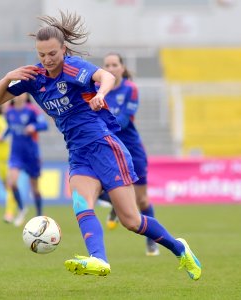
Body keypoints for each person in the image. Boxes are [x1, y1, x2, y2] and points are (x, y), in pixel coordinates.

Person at [0, 11, 201, 280]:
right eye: (42, 54)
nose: (47, 59)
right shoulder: (34, 78)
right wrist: (8, 77)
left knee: (131, 221)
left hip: (105, 146)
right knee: (80, 202)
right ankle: (99, 258)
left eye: (52, 53)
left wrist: (100, 94)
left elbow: (107, 77)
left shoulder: (74, 68)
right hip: (78, 152)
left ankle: (179, 247)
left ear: (63, 49)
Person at [98, 52, 160, 256]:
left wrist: (101, 124)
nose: (110, 68)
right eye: (107, 65)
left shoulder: (130, 89)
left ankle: (152, 241)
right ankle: (115, 204)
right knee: (96, 187)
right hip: (109, 149)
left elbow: (124, 120)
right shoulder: (99, 90)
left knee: (141, 201)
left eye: (114, 64)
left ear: (122, 68)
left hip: (132, 150)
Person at [4, 93, 48, 226]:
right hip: (16, 154)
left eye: (22, 93)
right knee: (11, 182)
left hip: (31, 154)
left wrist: (34, 127)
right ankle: (22, 209)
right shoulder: (9, 111)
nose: (19, 95)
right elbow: (10, 128)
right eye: (17, 93)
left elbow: (44, 125)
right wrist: (3, 135)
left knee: (35, 188)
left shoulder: (32, 109)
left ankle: (39, 215)